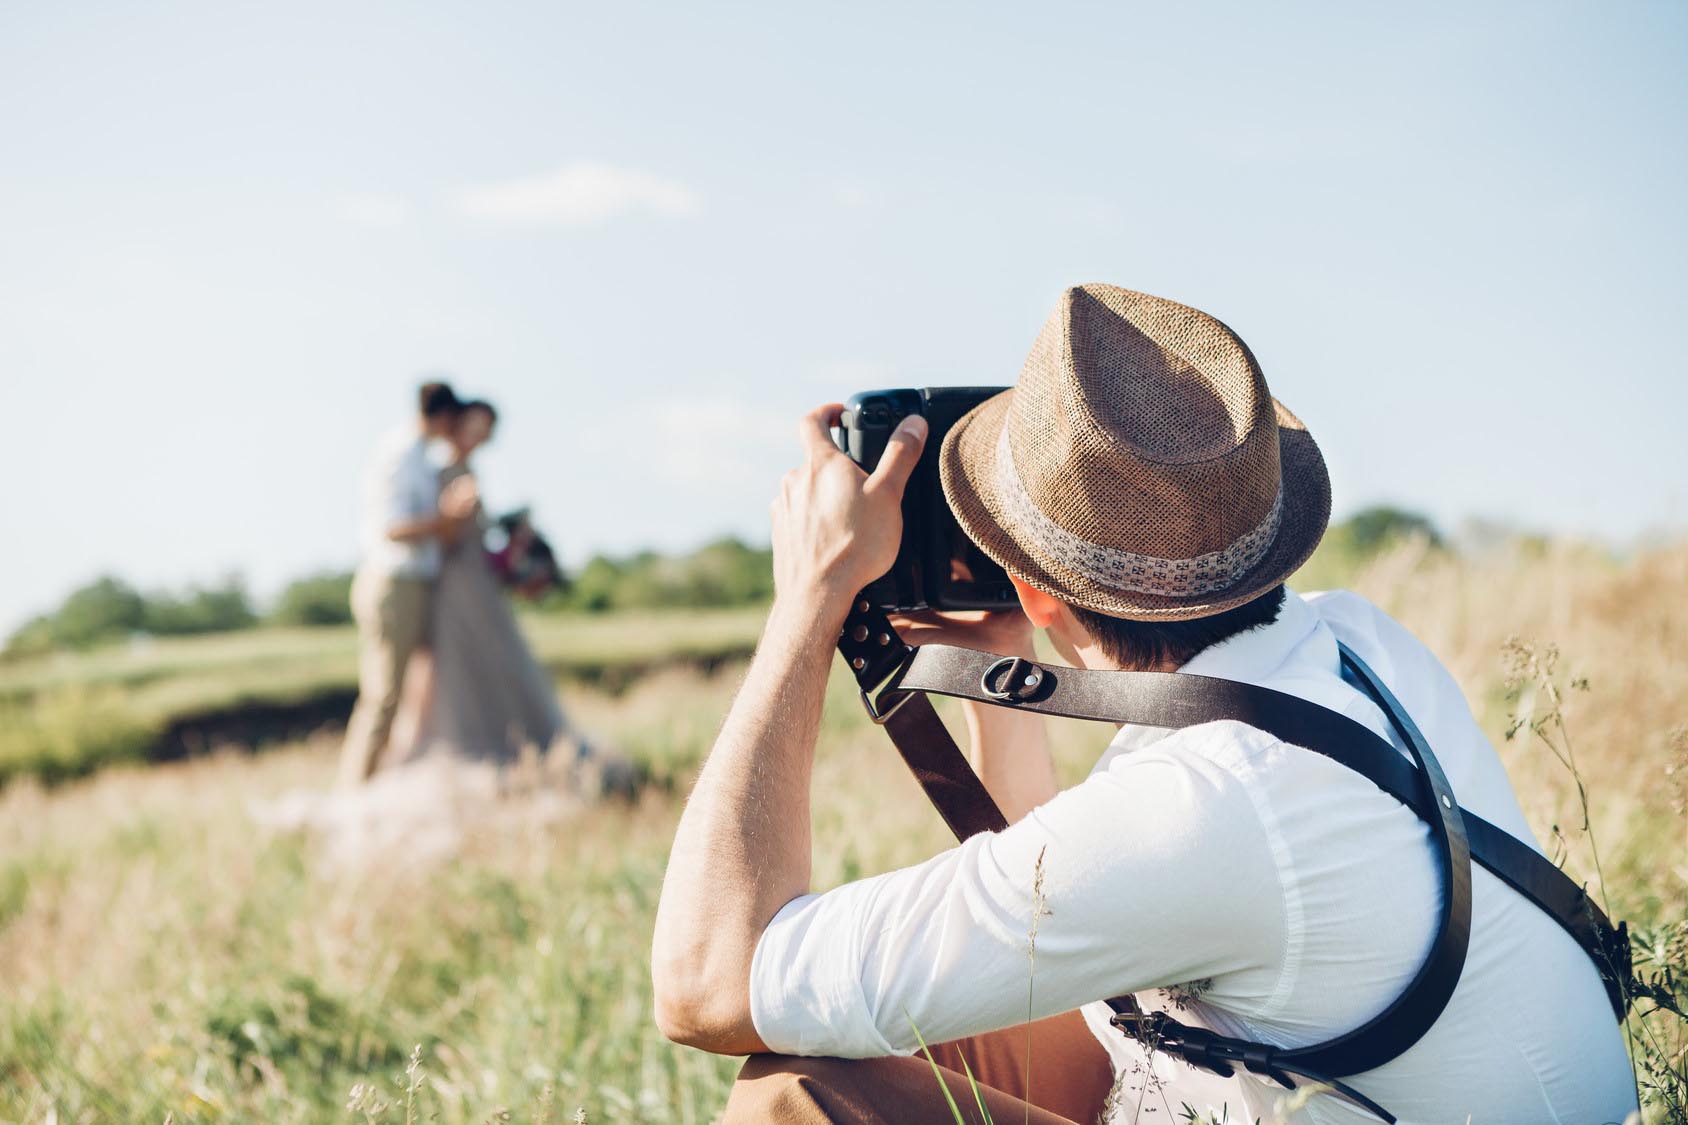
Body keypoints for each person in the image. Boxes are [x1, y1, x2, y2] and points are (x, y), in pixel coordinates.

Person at [649, 285, 1636, 1122]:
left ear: (1034, 583)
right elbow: (1074, 900)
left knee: (792, 1091)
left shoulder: (1205, 806)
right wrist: (1002, 667)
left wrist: (807, 608)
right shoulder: (1350, 640)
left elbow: (704, 986)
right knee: (982, 1024)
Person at [384, 399, 571, 766]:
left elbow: (474, 533)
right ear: (455, 424)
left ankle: (517, 747)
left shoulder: (465, 469)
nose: (478, 436)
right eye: (473, 426)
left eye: (485, 430)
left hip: (479, 581)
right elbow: (446, 533)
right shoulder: (439, 470)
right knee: (457, 669)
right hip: (455, 584)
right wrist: (454, 519)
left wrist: (514, 540)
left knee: (497, 663)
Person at [337, 381, 476, 787]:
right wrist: (446, 519)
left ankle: (379, 779)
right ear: (445, 416)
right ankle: (353, 789)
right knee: (383, 695)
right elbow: (392, 529)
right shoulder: (399, 456)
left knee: (412, 694)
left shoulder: (420, 456)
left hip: (414, 583)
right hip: (394, 584)